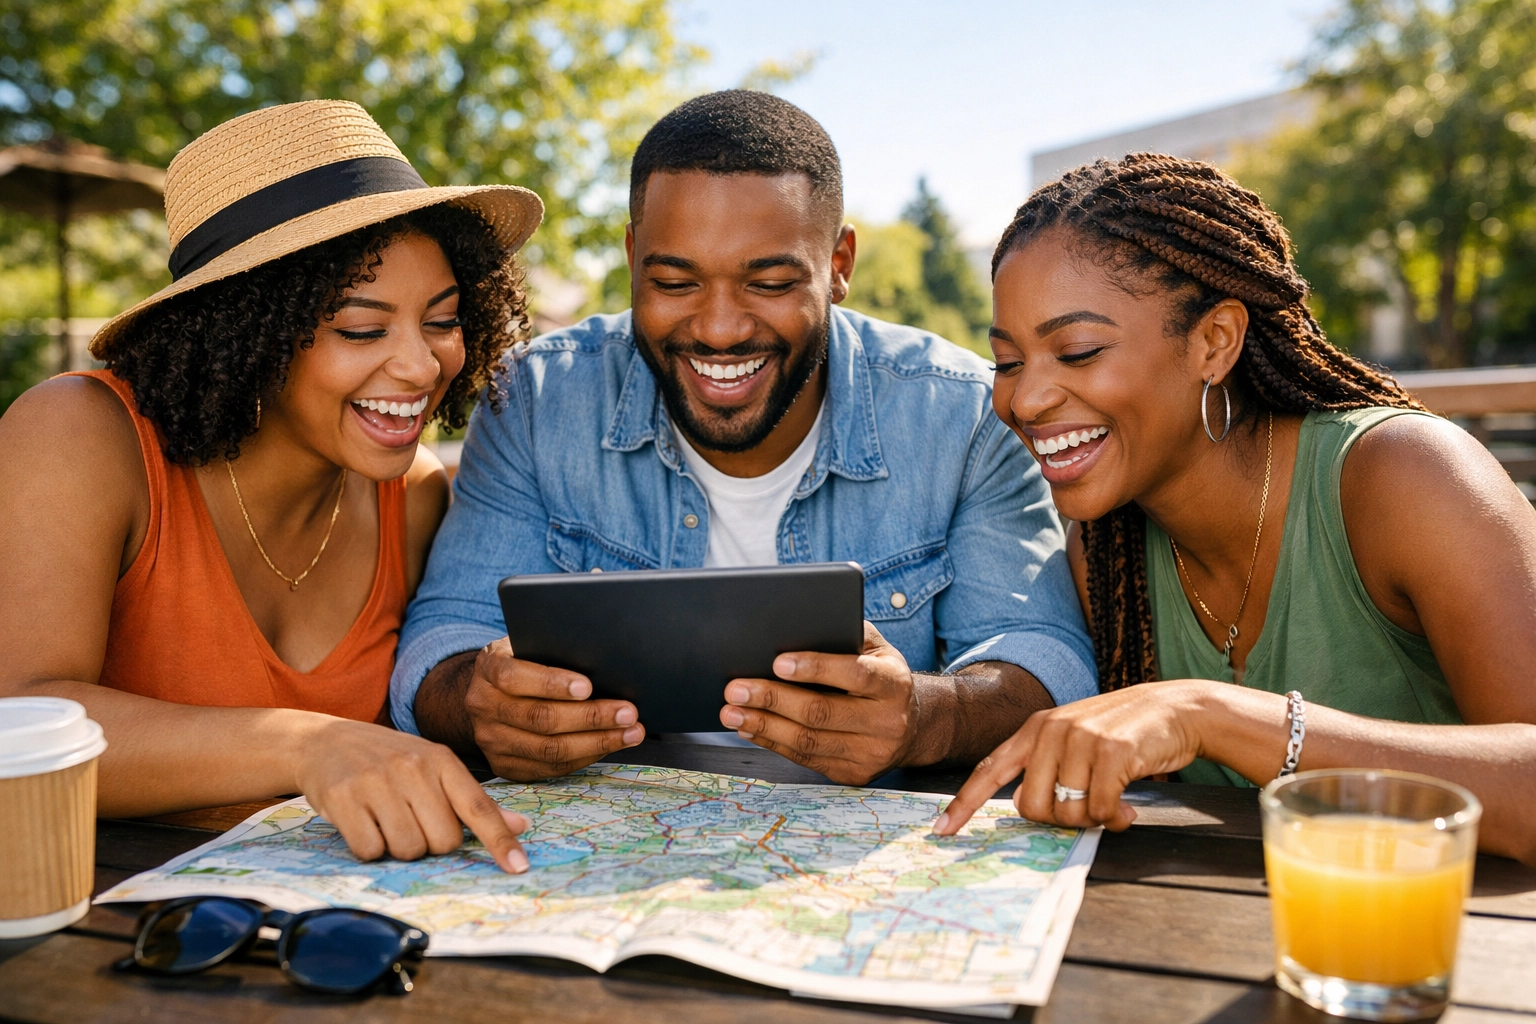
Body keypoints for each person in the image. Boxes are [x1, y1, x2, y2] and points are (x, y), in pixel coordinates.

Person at [393, 90, 1097, 785]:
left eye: (768, 282)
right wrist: (482, 705)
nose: (720, 328)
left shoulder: (965, 414)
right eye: (674, 281)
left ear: (839, 265)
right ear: (634, 256)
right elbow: (440, 646)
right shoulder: (537, 400)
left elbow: (1047, 662)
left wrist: (926, 716)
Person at [934, 154, 1536, 866]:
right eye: (1007, 362)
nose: (1025, 401)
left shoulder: (1407, 478)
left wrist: (1213, 716)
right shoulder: (1104, 556)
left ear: (1214, 342)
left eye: (1077, 350)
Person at [0, 101, 547, 872]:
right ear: (244, 331)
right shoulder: (80, 436)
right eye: (362, 329)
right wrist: (307, 745)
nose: (422, 367)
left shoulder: (415, 496)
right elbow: (18, 719)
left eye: (443, 320)